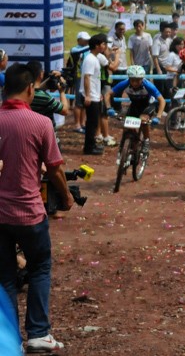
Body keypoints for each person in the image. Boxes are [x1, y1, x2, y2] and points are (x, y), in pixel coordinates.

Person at [0, 64, 72, 352]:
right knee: (40, 268)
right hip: (30, 212)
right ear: (31, 88)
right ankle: (38, 333)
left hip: (0, 213)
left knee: (4, 276)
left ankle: (8, 339)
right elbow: (54, 169)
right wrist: (65, 196)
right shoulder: (41, 123)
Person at [81, 34, 109, 156]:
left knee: (94, 122)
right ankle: (89, 147)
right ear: (97, 45)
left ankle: (91, 145)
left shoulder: (95, 58)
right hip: (90, 95)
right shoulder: (90, 59)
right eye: (103, 44)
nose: (105, 46)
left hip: (94, 94)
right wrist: (88, 95)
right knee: (91, 123)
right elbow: (87, 77)